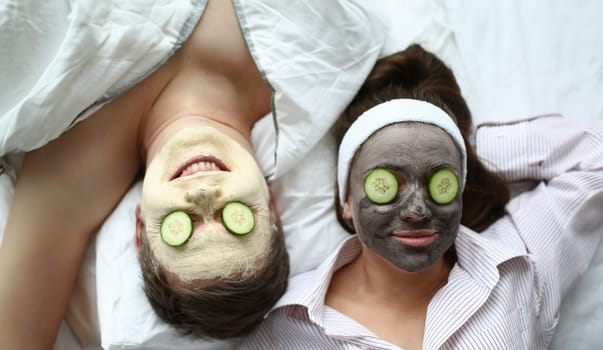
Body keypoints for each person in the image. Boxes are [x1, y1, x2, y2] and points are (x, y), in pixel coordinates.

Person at [239, 44, 603, 349]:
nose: (416, 210)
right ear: (346, 202)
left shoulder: (523, 264)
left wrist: (463, 154)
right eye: (387, 184)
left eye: (439, 183)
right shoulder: (287, 324)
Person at [0, 1, 290, 348]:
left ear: (140, 230)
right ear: (271, 207)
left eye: (180, 226)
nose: (201, 196)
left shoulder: (71, 183)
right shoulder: (302, 71)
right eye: (233, 219)